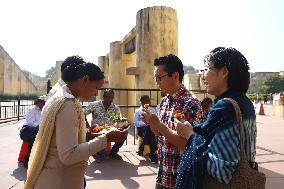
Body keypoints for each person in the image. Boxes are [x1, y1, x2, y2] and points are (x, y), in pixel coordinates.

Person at [24, 56, 126, 189]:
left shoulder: (58, 95)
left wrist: (90, 135)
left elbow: (63, 137)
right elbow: (68, 155)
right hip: (59, 181)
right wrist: (105, 138)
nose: (96, 93)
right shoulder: (68, 104)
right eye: (96, 87)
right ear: (85, 80)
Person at [174, 47, 257, 189]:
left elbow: (221, 170)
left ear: (224, 72)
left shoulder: (225, 107)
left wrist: (189, 134)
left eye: (206, 69)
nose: (202, 75)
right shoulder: (244, 102)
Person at [141, 54, 203, 188]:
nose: (157, 82)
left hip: (181, 179)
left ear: (175, 76)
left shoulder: (191, 103)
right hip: (163, 174)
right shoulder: (165, 100)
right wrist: (151, 123)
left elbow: (186, 144)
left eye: (159, 78)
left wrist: (158, 124)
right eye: (155, 78)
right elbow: (159, 134)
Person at [84, 89, 127, 160]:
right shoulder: (95, 105)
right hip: (97, 130)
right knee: (91, 134)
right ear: (103, 96)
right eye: (107, 97)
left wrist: (123, 124)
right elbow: (82, 114)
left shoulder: (115, 108)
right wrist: (88, 126)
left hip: (110, 130)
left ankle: (113, 153)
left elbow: (118, 120)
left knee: (125, 133)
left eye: (111, 97)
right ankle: (100, 153)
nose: (109, 99)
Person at [18, 96, 46, 167]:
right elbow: (30, 122)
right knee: (34, 137)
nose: (43, 104)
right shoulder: (32, 109)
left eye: (44, 102)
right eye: (42, 102)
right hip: (27, 130)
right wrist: (40, 127)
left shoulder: (45, 110)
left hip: (37, 129)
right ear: (38, 102)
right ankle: (28, 160)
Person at [134, 95, 158, 163]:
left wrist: (150, 123)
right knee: (149, 129)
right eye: (147, 101)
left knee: (149, 129)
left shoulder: (153, 110)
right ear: (142, 102)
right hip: (141, 130)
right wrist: (146, 123)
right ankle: (153, 154)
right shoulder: (138, 111)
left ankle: (142, 147)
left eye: (149, 100)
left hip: (151, 129)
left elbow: (156, 120)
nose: (149, 102)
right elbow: (136, 123)